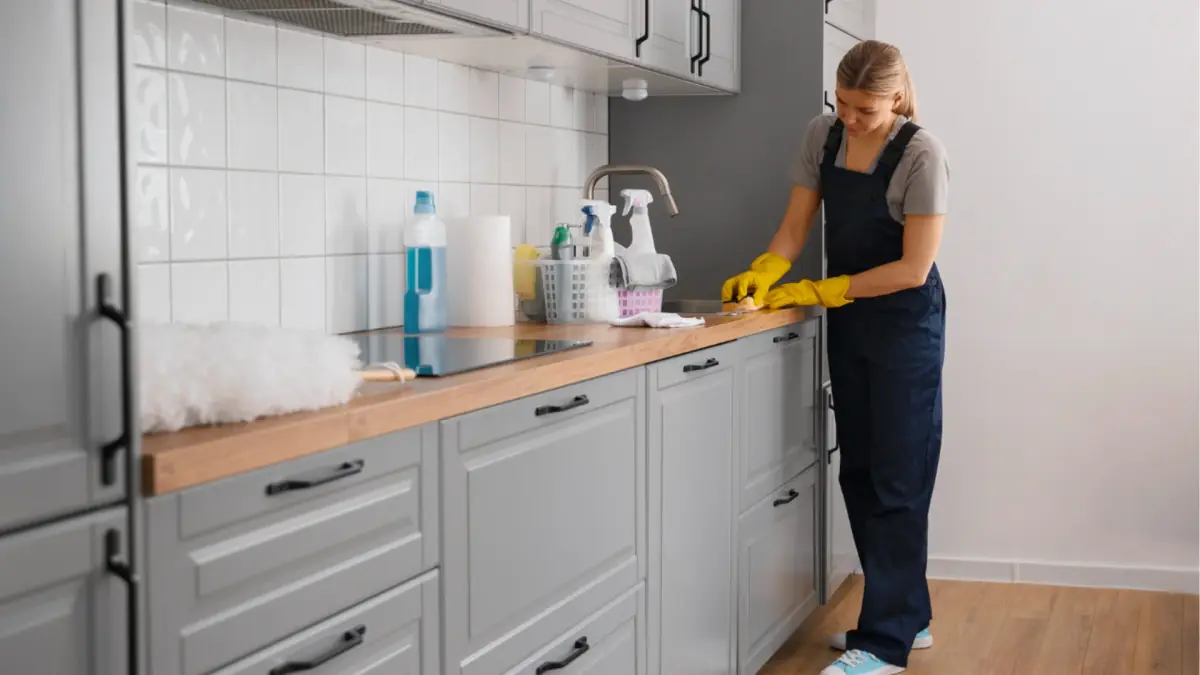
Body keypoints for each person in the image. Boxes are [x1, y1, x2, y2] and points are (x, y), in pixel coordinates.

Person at [722, 40, 949, 675]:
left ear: (896, 98)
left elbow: (912, 267)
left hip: (905, 324)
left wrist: (821, 290)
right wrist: (766, 270)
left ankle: (882, 644)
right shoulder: (823, 135)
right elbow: (796, 226)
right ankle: (908, 615)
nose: (849, 119)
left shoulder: (923, 154)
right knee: (859, 472)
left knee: (899, 478)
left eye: (866, 110)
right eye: (842, 103)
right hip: (852, 323)